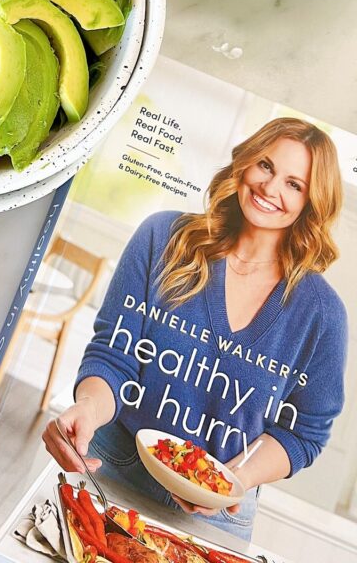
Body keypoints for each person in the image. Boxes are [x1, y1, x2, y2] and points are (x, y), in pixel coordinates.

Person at [42, 118, 348, 541]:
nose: (270, 188)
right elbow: (114, 354)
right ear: (244, 163)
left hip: (221, 515)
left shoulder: (322, 314)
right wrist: (87, 411)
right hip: (113, 469)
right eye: (266, 165)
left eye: (295, 184)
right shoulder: (162, 237)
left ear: (312, 202)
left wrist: (228, 480)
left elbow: (305, 432)